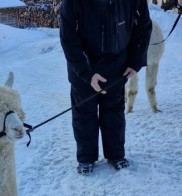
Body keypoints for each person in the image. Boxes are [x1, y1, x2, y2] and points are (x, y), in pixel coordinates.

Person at [59, 0, 152, 174]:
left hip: (117, 67)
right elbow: (68, 38)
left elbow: (143, 27)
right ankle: (86, 158)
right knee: (84, 115)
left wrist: (135, 61)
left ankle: (116, 155)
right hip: (84, 71)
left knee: (114, 114)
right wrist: (86, 73)